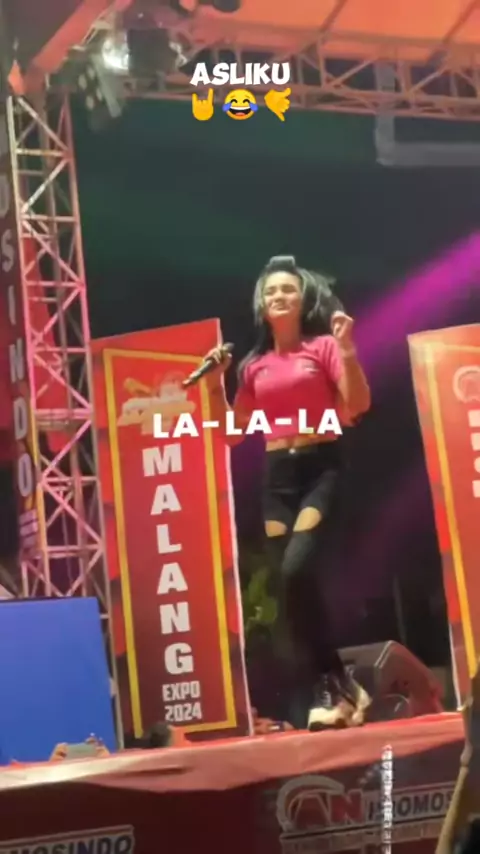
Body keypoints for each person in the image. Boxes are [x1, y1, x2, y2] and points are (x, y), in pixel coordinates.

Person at [205, 255, 371, 731]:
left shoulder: (323, 347)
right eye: (270, 290)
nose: (278, 296)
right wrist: (216, 384)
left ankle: (334, 686)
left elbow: (356, 407)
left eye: (287, 289)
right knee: (292, 589)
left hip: (321, 466)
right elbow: (231, 434)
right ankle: (338, 685)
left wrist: (348, 350)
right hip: (278, 476)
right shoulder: (254, 365)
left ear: (303, 299)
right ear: (261, 303)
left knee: (297, 571)